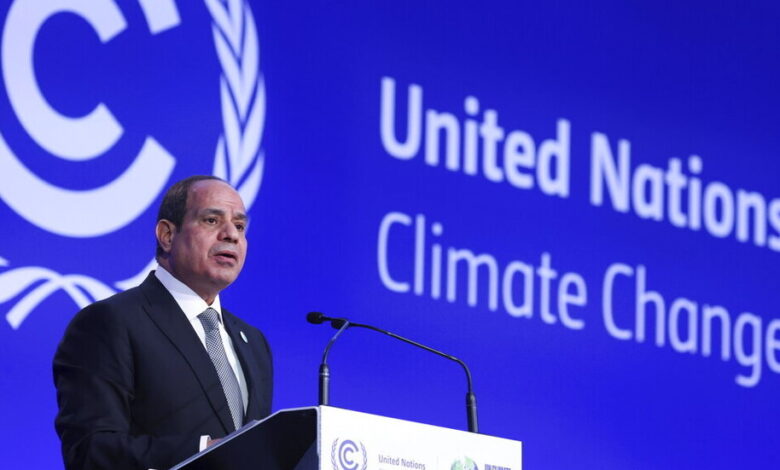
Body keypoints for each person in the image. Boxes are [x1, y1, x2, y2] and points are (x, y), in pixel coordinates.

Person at [53, 175, 273, 470]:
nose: (231, 235)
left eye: (240, 226)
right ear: (167, 235)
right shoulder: (110, 323)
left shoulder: (254, 342)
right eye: (211, 220)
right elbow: (90, 451)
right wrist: (202, 451)